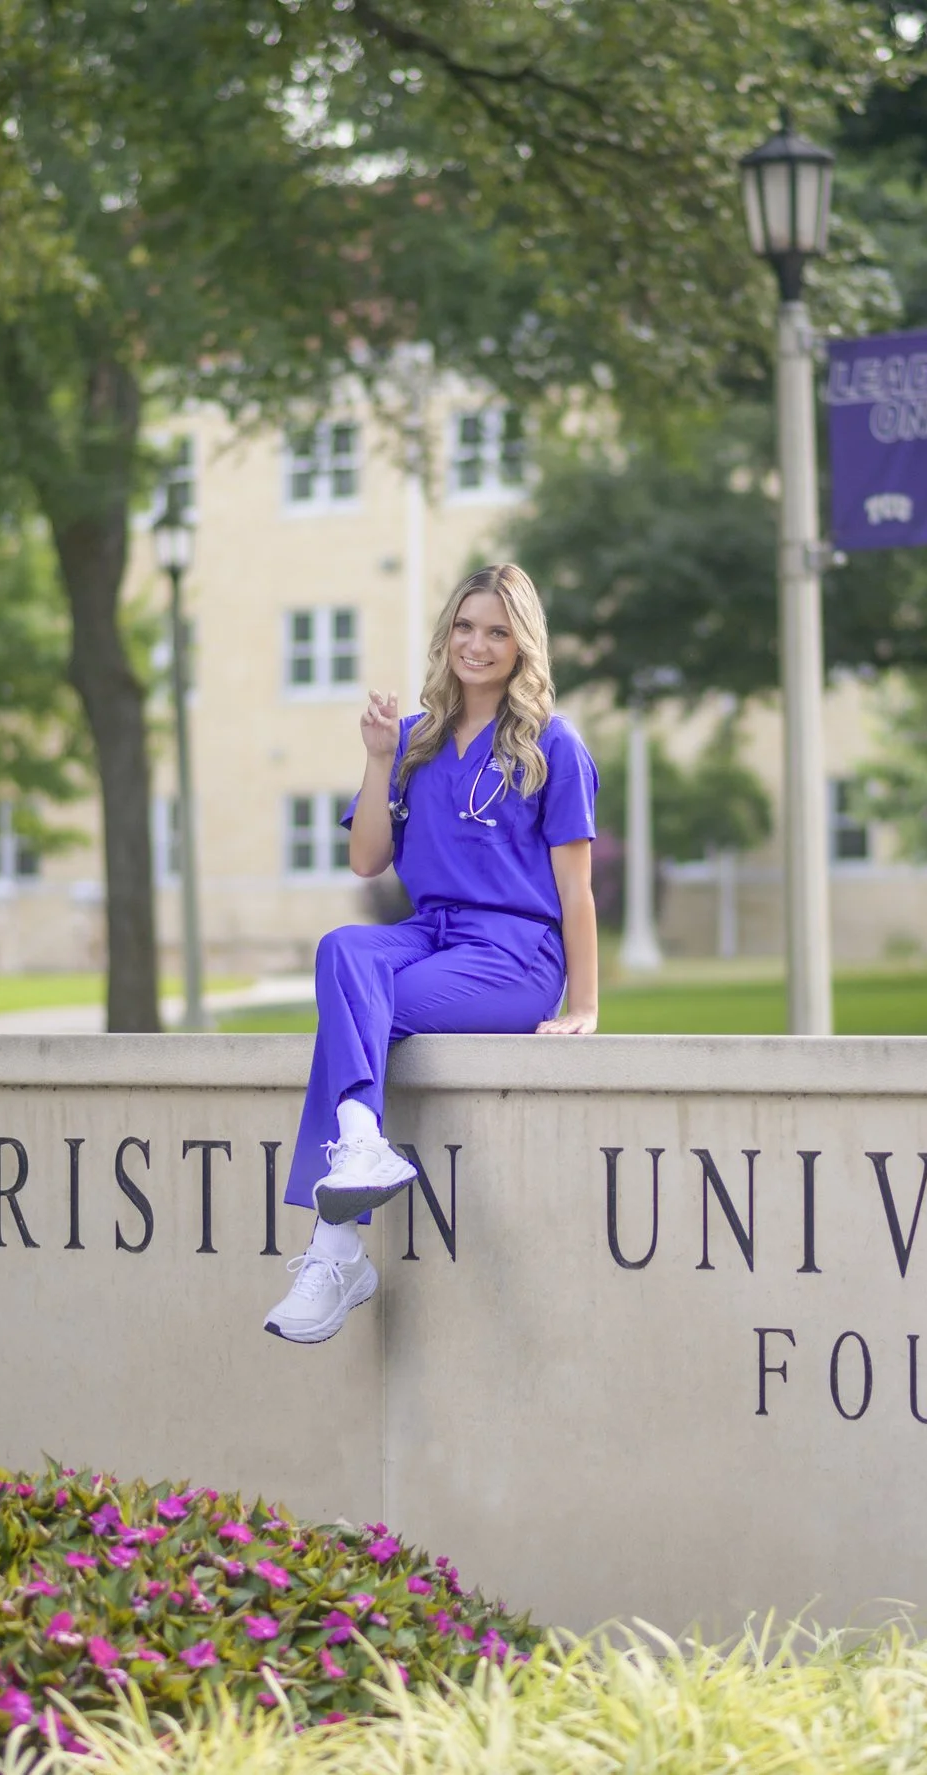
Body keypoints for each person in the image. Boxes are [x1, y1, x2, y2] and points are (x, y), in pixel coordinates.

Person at [262, 563, 599, 1343]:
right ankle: (360, 1144)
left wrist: (584, 1005)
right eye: (465, 626)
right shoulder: (414, 739)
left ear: (523, 646)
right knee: (345, 950)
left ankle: (337, 1249)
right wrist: (379, 758)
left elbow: (576, 892)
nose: (477, 644)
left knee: (356, 1013)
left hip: (515, 954)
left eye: (497, 631)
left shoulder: (554, 744)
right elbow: (367, 860)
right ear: (447, 633)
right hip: (432, 932)